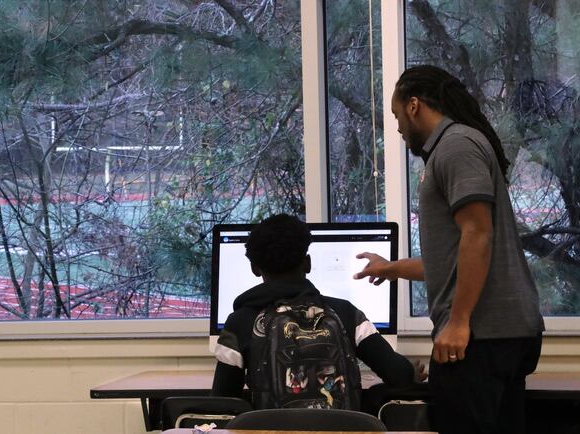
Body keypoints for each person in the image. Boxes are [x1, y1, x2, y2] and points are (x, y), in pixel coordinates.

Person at [354, 65, 544, 434]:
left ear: (413, 106)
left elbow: (477, 234)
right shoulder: (455, 146)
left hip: (481, 335)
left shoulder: (455, 145)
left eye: (395, 115)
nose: (396, 128)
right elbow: (456, 258)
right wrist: (389, 269)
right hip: (496, 333)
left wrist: (458, 322)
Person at [212, 213, 426, 409]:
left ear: (255, 269)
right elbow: (398, 376)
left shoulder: (240, 322)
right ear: (308, 263)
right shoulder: (347, 314)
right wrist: (409, 373)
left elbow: (223, 401)